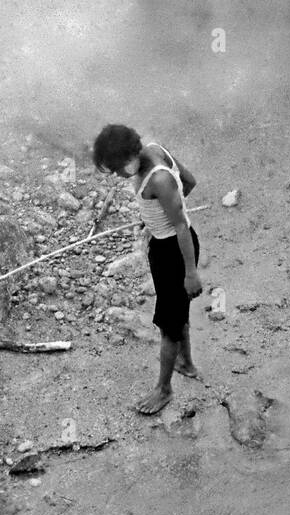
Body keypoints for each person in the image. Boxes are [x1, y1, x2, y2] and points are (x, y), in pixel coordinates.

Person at [91, 124, 202, 415]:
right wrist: (156, 216)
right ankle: (186, 363)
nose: (117, 175)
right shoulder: (154, 150)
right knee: (178, 313)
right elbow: (189, 181)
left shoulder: (160, 180)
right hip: (162, 244)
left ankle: (164, 389)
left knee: (168, 325)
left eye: (117, 169)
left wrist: (190, 272)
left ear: (130, 154)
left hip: (175, 253)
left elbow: (181, 226)